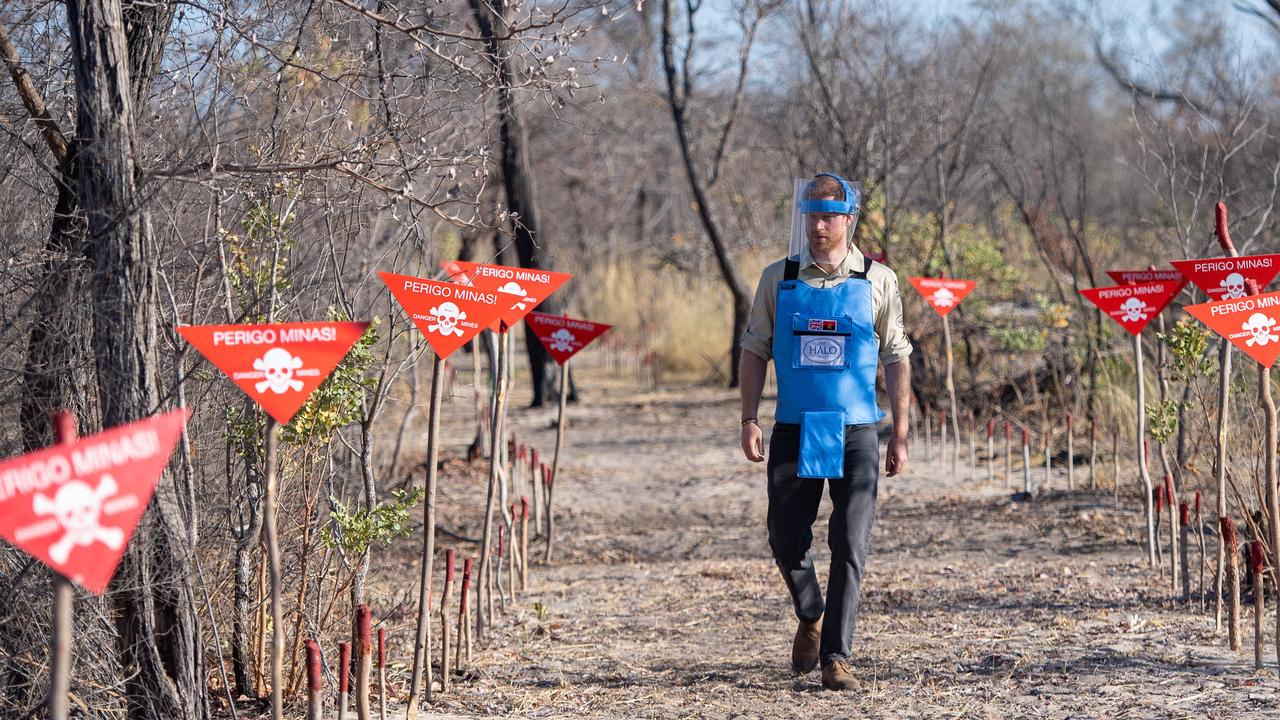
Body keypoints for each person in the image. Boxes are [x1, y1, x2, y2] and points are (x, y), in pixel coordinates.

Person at [738, 173, 911, 690]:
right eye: (810, 215)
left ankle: (837, 655)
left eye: (829, 216)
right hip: (795, 426)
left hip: (857, 429)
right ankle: (810, 609)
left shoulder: (878, 279)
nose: (818, 225)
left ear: (848, 220)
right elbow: (753, 348)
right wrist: (749, 416)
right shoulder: (779, 278)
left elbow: (897, 354)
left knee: (850, 542)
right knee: (785, 537)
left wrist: (899, 432)